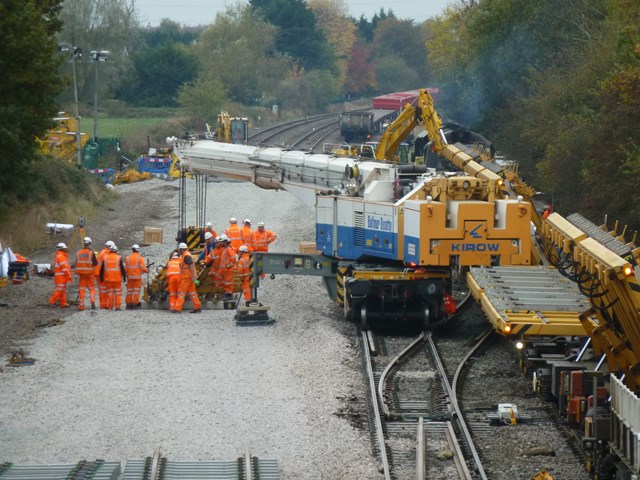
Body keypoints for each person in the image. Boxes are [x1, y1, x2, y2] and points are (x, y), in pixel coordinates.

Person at [174, 242, 202, 313]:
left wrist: (193, 275)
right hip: (189, 277)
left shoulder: (186, 256)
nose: (179, 251)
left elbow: (191, 265)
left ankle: (177, 308)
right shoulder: (186, 255)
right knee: (192, 292)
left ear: (181, 249)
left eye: (179, 250)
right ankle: (197, 306)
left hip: (187, 277)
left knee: (181, 292)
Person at [99, 244, 127, 311]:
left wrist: (101, 277)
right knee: (117, 293)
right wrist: (124, 277)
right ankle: (117, 307)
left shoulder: (105, 258)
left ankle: (110, 307)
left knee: (110, 293)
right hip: (117, 279)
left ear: (110, 251)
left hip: (108, 279)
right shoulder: (118, 258)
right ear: (116, 251)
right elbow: (122, 268)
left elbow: (102, 269)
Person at [74, 237, 98, 311]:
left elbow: (76, 263)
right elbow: (95, 263)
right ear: (89, 244)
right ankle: (92, 302)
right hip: (90, 273)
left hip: (81, 274)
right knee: (91, 288)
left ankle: (81, 306)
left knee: (82, 289)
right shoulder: (91, 252)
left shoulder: (78, 253)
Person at [124, 244, 148, 309]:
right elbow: (143, 268)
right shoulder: (140, 258)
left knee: (130, 291)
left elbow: (126, 269)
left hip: (130, 277)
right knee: (136, 291)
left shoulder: (128, 258)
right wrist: (147, 270)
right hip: (137, 277)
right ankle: (135, 303)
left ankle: (128, 304)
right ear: (138, 250)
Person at [48, 242, 72, 308]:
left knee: (62, 290)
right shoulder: (61, 256)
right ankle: (52, 301)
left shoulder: (60, 256)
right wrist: (69, 275)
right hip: (61, 277)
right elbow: (64, 268)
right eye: (65, 248)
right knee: (60, 289)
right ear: (62, 249)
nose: (66, 249)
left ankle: (63, 303)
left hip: (60, 276)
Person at [218, 236, 238, 300]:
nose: (221, 243)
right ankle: (227, 293)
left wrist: (229, 265)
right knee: (225, 282)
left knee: (228, 282)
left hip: (228, 270)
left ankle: (229, 295)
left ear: (225, 242)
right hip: (225, 269)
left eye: (222, 242)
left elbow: (233, 257)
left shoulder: (228, 249)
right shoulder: (225, 249)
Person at [96, 240, 114, 308]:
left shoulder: (103, 252)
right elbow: (106, 264)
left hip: (100, 273)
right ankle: (103, 305)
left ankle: (103, 304)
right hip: (101, 274)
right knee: (103, 290)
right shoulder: (105, 253)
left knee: (103, 290)